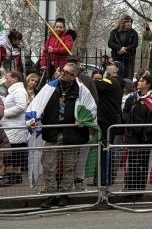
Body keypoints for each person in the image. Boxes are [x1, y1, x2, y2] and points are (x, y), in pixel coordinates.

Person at [29, 61, 97, 208]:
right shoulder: (50, 88)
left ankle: (65, 195)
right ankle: (51, 195)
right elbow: (38, 104)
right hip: (52, 132)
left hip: (72, 134)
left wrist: (83, 121)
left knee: (69, 167)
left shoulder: (82, 91)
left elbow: (91, 108)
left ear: (73, 76)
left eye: (66, 73)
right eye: (62, 71)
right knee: (48, 165)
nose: (62, 74)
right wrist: (34, 118)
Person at [122, 75, 152, 197]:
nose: (138, 82)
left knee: (141, 163)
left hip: (145, 137)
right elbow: (125, 112)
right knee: (131, 162)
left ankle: (139, 189)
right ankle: (130, 188)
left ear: (148, 84)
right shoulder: (132, 98)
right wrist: (128, 122)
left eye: (142, 81)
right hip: (132, 135)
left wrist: (148, 131)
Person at [94, 62, 123, 186]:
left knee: (105, 150)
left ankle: (105, 179)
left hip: (107, 121)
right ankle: (101, 178)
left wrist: (80, 74)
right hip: (106, 120)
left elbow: (95, 84)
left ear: (116, 69)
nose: (107, 66)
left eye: (111, 64)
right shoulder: (110, 81)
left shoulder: (112, 81)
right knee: (103, 150)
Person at [1, 71, 29, 186]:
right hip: (12, 126)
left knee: (13, 152)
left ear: (15, 79)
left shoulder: (19, 91)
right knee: (14, 151)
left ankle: (12, 176)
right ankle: (15, 176)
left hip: (15, 127)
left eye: (7, 78)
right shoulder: (15, 91)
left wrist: (4, 113)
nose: (5, 80)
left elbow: (21, 106)